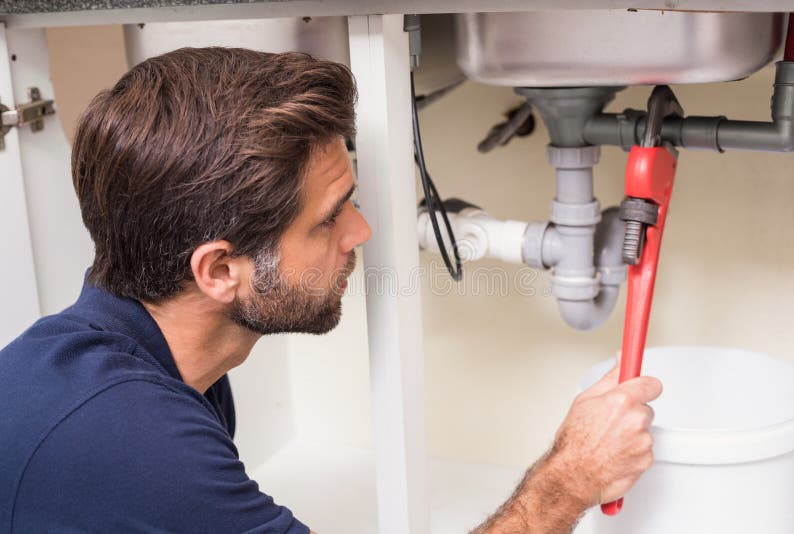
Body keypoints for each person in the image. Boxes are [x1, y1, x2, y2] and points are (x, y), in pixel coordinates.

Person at [0, 47, 661, 534]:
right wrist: (566, 481)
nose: (361, 230)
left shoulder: (151, 362)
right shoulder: (134, 438)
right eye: (329, 217)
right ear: (220, 270)